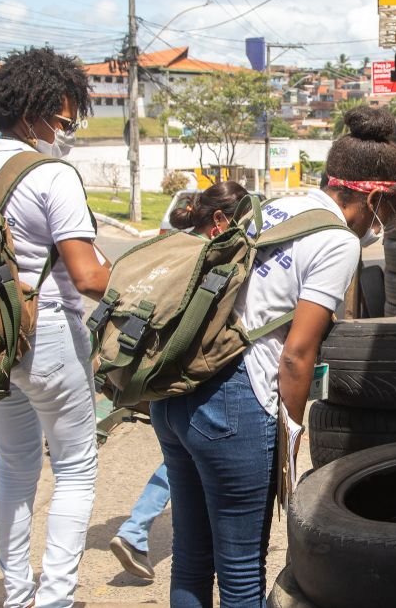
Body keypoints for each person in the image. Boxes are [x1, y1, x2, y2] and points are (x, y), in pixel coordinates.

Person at [150, 106, 396, 607]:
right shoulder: (337, 240)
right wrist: (290, 441)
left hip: (177, 388)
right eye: (388, 208)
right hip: (234, 404)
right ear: (374, 196)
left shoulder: (274, 206)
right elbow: (297, 356)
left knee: (190, 553)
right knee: (241, 570)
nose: (381, 224)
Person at [0, 46, 111, 608]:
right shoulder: (52, 176)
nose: (66, 131)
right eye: (63, 119)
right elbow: (86, 277)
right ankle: (55, 599)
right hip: (49, 335)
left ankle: (17, 595)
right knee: (77, 469)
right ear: (32, 111)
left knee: (14, 468)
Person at [109, 181, 249, 581]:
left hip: (148, 380)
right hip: (186, 379)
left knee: (178, 459)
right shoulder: (206, 258)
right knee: (191, 457)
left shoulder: (167, 248)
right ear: (221, 220)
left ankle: (135, 529)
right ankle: (136, 528)